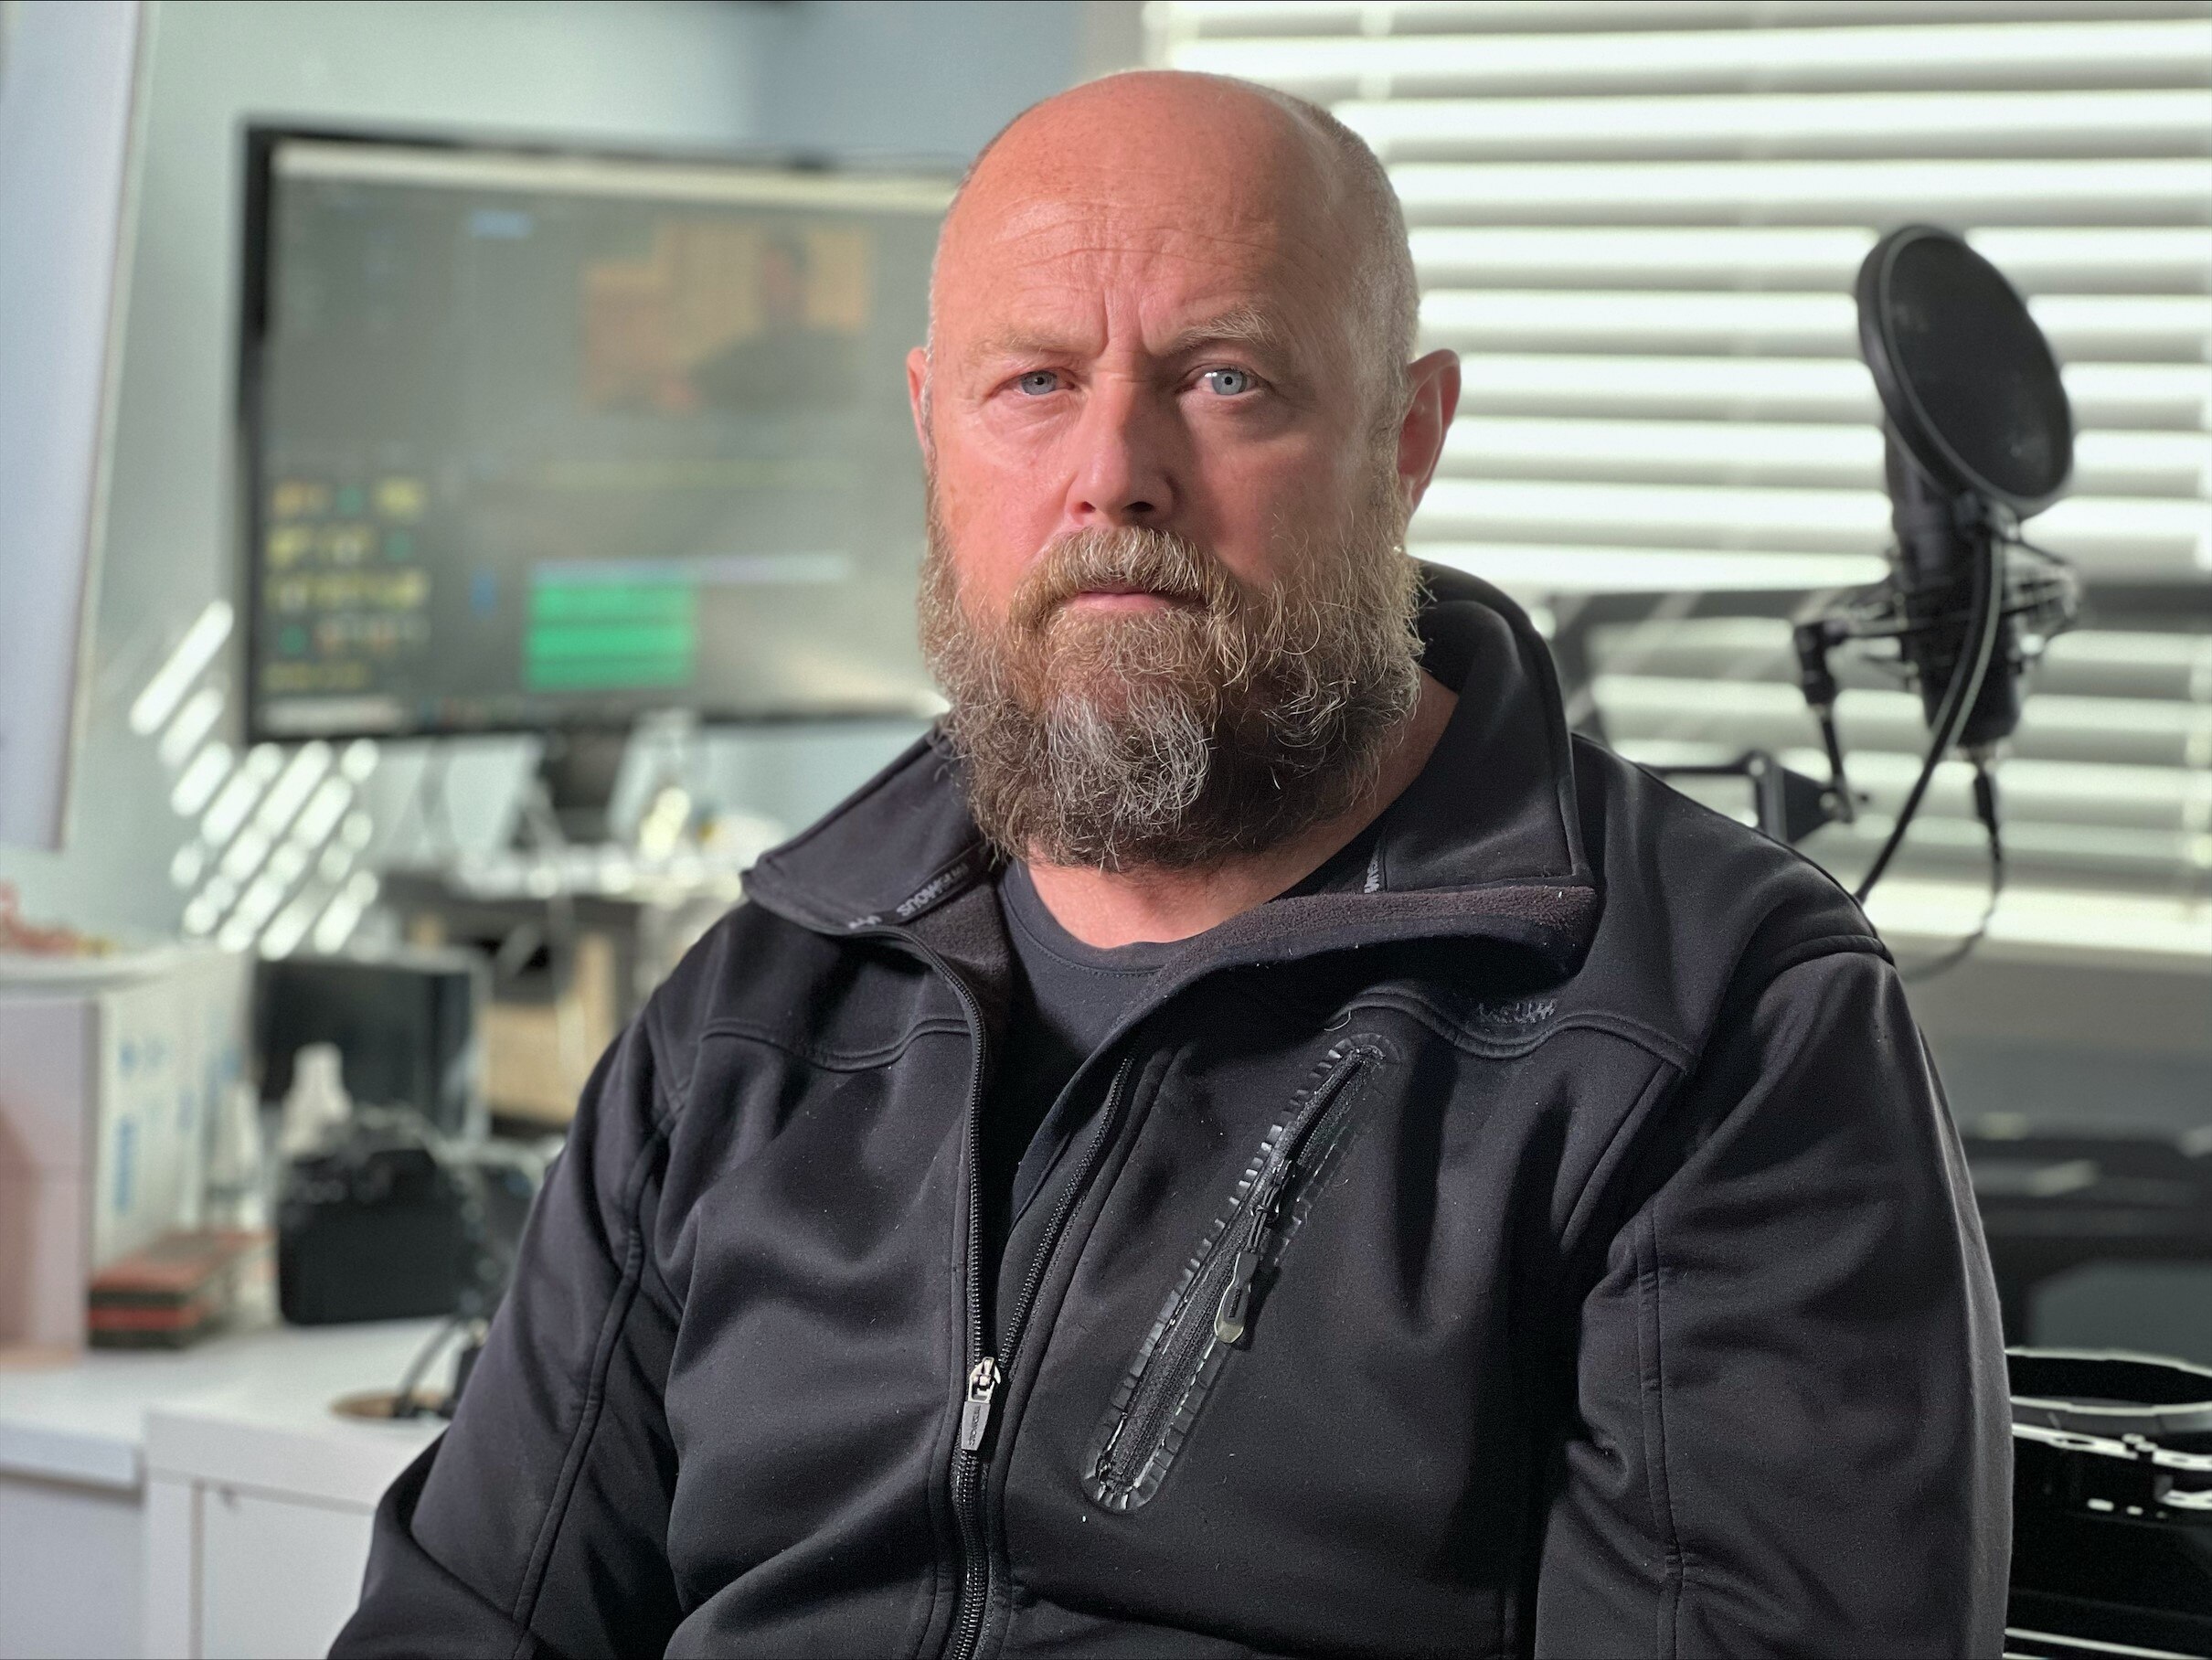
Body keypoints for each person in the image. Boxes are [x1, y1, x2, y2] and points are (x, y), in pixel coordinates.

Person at [335, 71, 2009, 1659]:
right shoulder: (760, 1007)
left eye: (1226, 378)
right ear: (934, 426)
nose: (1112, 475)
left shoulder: (1717, 1024)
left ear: (1407, 436)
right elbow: (475, 1619)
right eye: (1035, 382)